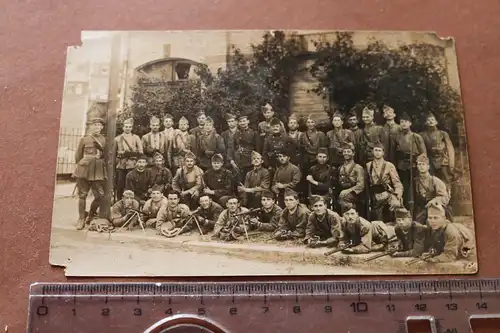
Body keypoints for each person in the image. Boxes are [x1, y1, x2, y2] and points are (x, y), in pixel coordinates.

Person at [73, 117, 108, 230]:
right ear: (91, 126)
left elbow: (106, 155)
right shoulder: (85, 139)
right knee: (82, 195)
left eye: (99, 125)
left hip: (97, 171)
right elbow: (78, 156)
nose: (97, 127)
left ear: (102, 127)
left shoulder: (104, 140)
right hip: (84, 170)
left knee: (99, 196)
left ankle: (91, 215)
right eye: (95, 125)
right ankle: (81, 219)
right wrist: (81, 166)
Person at [393, 112, 427, 208]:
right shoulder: (397, 137)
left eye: (406, 122)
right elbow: (394, 152)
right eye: (401, 122)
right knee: (403, 187)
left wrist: (420, 165)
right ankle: (404, 209)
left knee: (415, 188)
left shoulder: (416, 137)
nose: (403, 124)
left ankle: (416, 209)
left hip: (414, 165)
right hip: (401, 165)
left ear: (410, 123)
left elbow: (423, 154)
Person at [366, 143, 403, 222]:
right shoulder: (368, 165)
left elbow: (397, 183)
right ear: (372, 152)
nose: (377, 152)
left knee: (395, 205)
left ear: (383, 153)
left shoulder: (389, 165)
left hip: (387, 194)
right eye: (375, 150)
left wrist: (397, 195)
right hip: (375, 195)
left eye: (379, 150)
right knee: (376, 219)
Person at [419, 113, 455, 195]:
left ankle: (447, 199)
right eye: (428, 120)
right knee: (432, 180)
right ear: (426, 123)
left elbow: (450, 149)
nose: (430, 121)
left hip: (443, 161)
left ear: (436, 122)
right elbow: (422, 149)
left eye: (432, 119)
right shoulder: (423, 135)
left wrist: (451, 164)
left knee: (445, 180)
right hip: (431, 160)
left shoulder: (443, 134)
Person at [413, 154, 451, 223]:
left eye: (423, 164)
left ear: (428, 167)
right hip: (422, 209)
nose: (421, 166)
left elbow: (444, 197)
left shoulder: (435, 181)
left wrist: (434, 201)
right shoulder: (415, 182)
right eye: (419, 164)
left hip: (435, 208)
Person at [114, 117, 143, 200]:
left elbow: (141, 152)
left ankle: (132, 201)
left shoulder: (136, 138)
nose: (128, 128)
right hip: (121, 164)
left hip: (132, 164)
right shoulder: (117, 138)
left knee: (131, 184)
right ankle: (119, 200)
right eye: (126, 126)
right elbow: (114, 153)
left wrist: (132, 154)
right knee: (120, 184)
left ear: (132, 128)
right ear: (123, 127)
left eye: (129, 127)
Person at [337, 143, 365, 215]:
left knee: (344, 197)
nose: (346, 153)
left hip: (355, 193)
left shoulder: (358, 168)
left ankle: (352, 215)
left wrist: (347, 191)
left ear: (353, 153)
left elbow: (360, 185)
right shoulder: (340, 168)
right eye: (344, 152)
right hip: (342, 191)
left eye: (349, 151)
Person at [231, 115, 260, 183]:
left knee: (250, 180)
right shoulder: (236, 134)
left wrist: (256, 161)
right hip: (239, 161)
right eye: (240, 121)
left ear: (248, 121)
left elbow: (258, 149)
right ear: (238, 123)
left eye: (244, 121)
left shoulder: (254, 133)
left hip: (250, 161)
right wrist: (233, 160)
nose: (242, 123)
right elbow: (233, 148)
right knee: (240, 181)